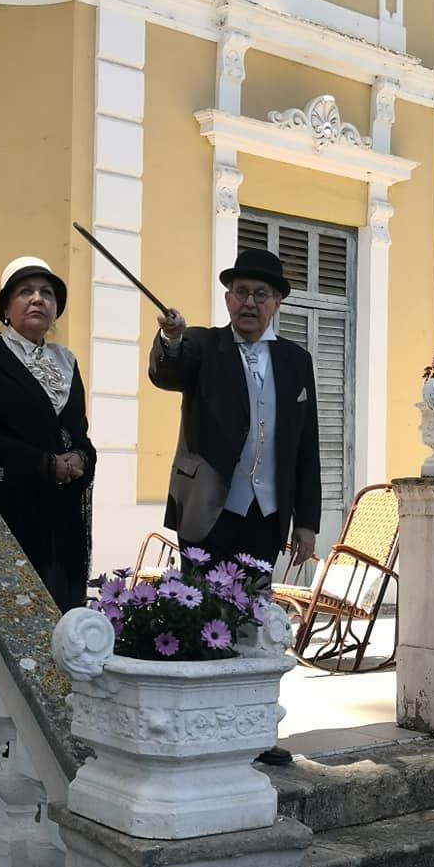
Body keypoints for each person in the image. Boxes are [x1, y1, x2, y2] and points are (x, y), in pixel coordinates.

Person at [149, 248, 321, 764]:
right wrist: (172, 337)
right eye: (241, 292)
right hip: (209, 507)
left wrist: (307, 522)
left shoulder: (296, 361)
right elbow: (166, 370)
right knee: (201, 616)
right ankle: (203, 732)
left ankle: (256, 731)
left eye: (261, 294)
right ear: (227, 299)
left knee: (254, 623)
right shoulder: (201, 345)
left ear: (277, 303)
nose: (249, 302)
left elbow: (306, 446)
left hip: (267, 515)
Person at [0, 256, 96, 613]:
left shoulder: (67, 361)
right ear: (6, 307)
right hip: (11, 510)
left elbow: (78, 432)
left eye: (47, 293)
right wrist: (42, 463)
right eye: (25, 291)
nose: (37, 299)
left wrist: (80, 457)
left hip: (61, 520)